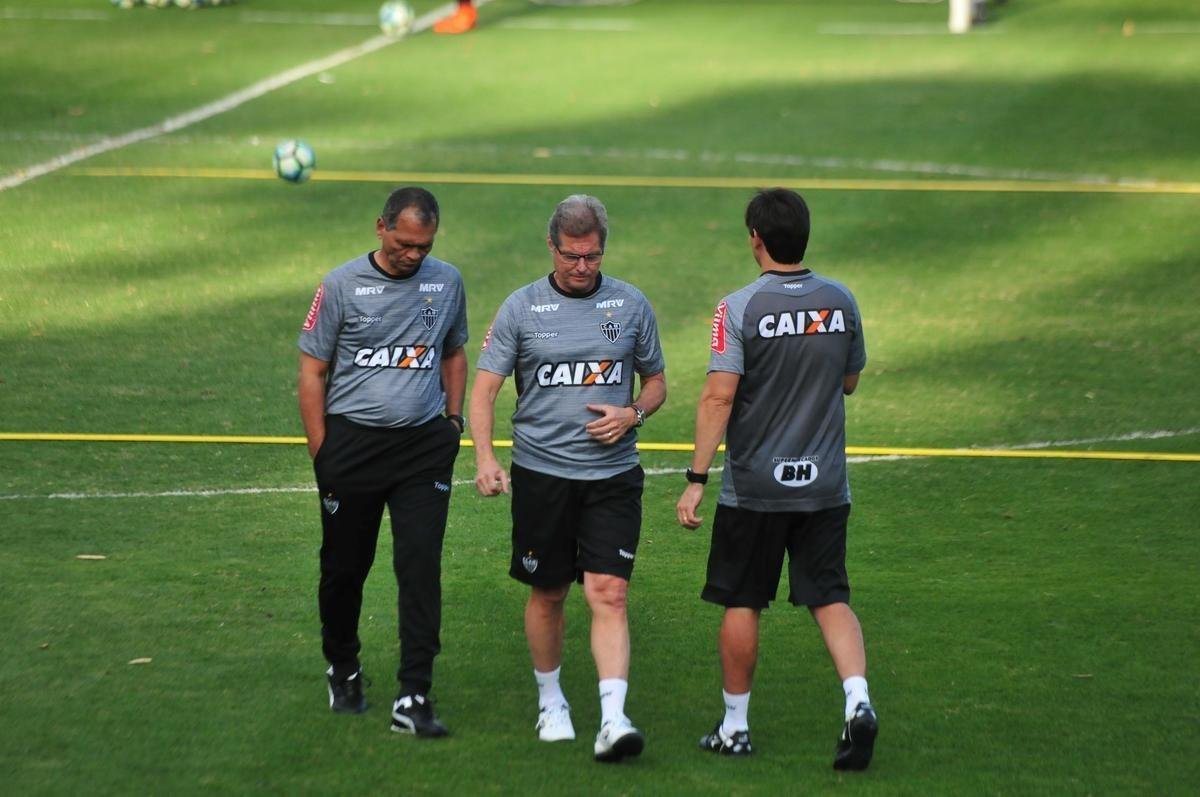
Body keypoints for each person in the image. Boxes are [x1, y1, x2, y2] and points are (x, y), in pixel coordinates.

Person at [675, 188, 877, 769]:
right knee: (829, 595)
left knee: (743, 599)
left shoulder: (737, 307)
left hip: (755, 488)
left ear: (755, 239)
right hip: (825, 485)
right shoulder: (840, 300)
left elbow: (718, 397)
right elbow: (849, 382)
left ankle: (735, 728)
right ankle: (857, 701)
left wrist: (695, 477)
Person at [470, 195, 667, 763]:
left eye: (594, 256)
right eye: (572, 256)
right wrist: (485, 459)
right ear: (551, 247)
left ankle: (612, 718)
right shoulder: (520, 308)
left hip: (613, 476)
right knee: (550, 590)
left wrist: (634, 414)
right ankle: (551, 699)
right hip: (542, 476)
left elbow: (655, 383)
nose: (583, 267)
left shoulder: (630, 304)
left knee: (610, 591)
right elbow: (484, 389)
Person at [297, 186, 467, 738]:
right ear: (381, 227)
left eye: (423, 245)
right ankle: (342, 664)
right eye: (404, 243)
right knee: (345, 568)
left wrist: (453, 423)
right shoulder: (341, 284)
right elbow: (311, 372)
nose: (413, 255)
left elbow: (454, 353)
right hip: (352, 447)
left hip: (422, 450)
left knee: (420, 568)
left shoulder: (447, 281)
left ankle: (414, 693)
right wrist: (324, 453)